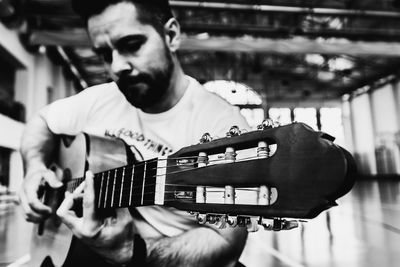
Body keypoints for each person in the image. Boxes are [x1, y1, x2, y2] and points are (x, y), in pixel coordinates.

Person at [19, 0, 250, 266]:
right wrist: (35, 168)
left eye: (132, 45)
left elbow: (225, 243)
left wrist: (135, 252)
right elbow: (41, 121)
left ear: (171, 36)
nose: (117, 67)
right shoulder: (101, 98)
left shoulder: (223, 127)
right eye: (105, 54)